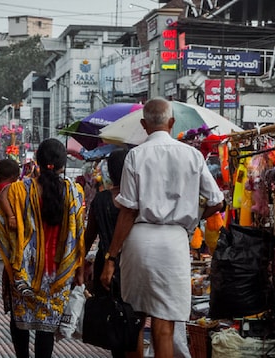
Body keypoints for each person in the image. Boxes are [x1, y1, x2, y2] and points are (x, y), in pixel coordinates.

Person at [100, 98, 224, 357]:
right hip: (174, 244)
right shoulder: (192, 155)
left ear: (144, 124)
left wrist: (111, 257)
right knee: (164, 324)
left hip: (139, 242)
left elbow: (128, 212)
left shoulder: (135, 155)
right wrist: (195, 217)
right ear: (172, 122)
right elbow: (217, 201)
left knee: (134, 319)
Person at [0, 138, 86, 358]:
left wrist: (13, 218)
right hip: (57, 273)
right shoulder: (74, 192)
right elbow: (79, 232)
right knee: (46, 329)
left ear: (37, 162)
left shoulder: (18, 190)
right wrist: (79, 270)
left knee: (19, 321)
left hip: (23, 270)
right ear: (63, 164)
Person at [84, 148, 130, 358]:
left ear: (110, 173)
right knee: (132, 315)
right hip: (130, 263)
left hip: (105, 264)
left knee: (114, 316)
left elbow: (89, 236)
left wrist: (79, 264)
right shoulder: (135, 201)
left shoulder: (100, 200)